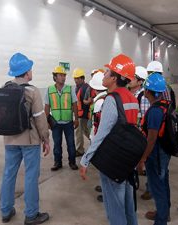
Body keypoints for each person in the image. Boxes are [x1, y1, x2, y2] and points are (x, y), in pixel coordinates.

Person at [80, 54, 139, 225]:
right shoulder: (132, 98)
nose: (104, 75)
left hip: (113, 161)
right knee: (128, 206)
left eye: (107, 72)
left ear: (114, 78)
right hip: (128, 160)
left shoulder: (112, 100)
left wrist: (85, 160)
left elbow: (101, 135)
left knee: (115, 209)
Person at [0, 53, 50, 225]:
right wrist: (46, 138)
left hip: (9, 141)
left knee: (8, 174)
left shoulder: (4, 88)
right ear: (26, 72)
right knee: (30, 176)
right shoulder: (32, 90)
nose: (31, 71)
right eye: (30, 69)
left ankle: (6, 211)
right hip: (30, 141)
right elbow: (40, 118)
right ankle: (31, 214)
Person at [138, 72, 171, 225]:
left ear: (149, 91)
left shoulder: (155, 111)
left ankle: (161, 220)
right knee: (163, 183)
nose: (144, 90)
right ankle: (164, 213)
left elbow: (151, 139)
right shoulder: (165, 104)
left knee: (157, 187)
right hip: (163, 151)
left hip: (156, 154)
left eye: (145, 88)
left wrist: (143, 158)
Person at [44, 66, 79, 171]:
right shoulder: (49, 89)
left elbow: (74, 105)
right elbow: (47, 106)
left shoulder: (69, 89)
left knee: (71, 144)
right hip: (56, 123)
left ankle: (72, 162)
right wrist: (47, 121)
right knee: (57, 144)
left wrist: (76, 119)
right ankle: (57, 162)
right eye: (60, 75)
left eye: (64, 75)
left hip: (68, 122)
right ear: (55, 77)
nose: (63, 77)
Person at [88, 71, 108, 203]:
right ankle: (104, 187)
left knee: (104, 167)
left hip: (101, 141)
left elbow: (98, 125)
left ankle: (106, 193)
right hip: (105, 140)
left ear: (94, 89)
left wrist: (94, 142)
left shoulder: (99, 103)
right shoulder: (107, 97)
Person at [73, 68, 91, 156]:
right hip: (80, 114)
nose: (75, 80)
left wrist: (85, 115)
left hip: (83, 115)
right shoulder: (78, 87)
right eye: (75, 78)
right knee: (84, 131)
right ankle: (96, 142)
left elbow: (87, 103)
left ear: (82, 78)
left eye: (77, 78)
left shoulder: (85, 88)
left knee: (82, 132)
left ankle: (80, 150)